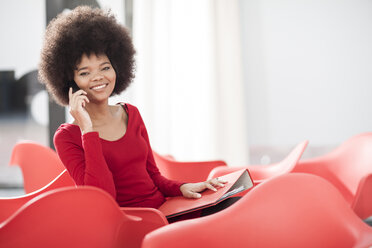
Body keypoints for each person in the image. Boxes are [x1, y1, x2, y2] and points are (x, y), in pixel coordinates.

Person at [38, 6, 227, 218]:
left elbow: (154, 177)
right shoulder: (67, 137)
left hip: (164, 211)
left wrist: (183, 187)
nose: (99, 77)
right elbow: (101, 197)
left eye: (105, 67)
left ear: (118, 67)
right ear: (69, 81)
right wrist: (87, 130)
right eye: (85, 72)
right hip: (131, 223)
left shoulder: (131, 113)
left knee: (229, 204)